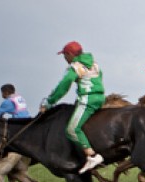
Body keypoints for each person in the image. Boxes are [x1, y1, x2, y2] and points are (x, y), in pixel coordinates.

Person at [41, 41, 105, 174]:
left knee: (71, 130)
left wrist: (49, 102)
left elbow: (63, 86)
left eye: (64, 55)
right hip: (100, 98)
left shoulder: (75, 67)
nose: (64, 59)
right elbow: (99, 78)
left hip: (87, 100)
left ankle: (92, 156)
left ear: (70, 54)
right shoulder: (94, 64)